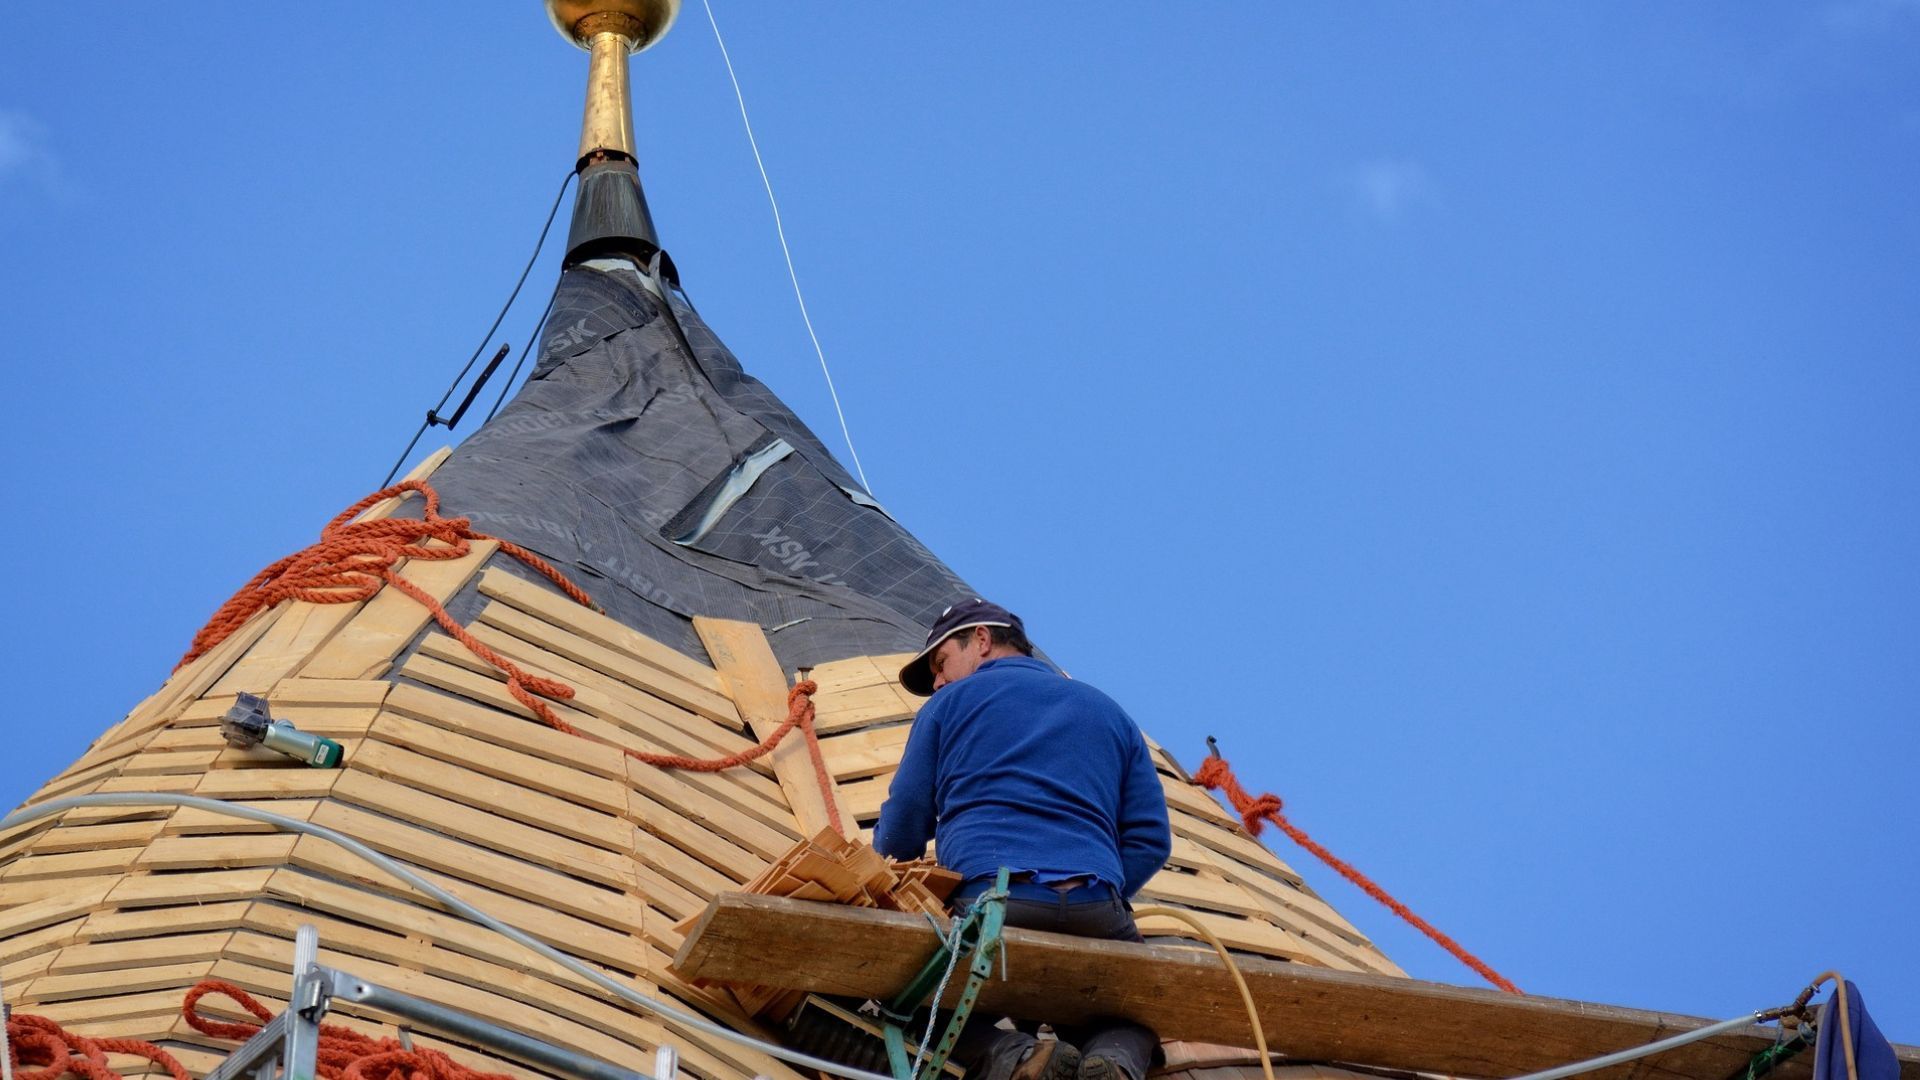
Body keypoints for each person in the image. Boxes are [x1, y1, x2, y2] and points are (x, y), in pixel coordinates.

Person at [875, 599, 1172, 1080]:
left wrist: (878, 885)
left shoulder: (948, 706)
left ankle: (1018, 1058)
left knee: (910, 1005)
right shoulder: (1109, 712)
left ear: (983, 641)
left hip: (993, 901)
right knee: (1133, 1016)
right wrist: (1099, 892)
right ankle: (1113, 1065)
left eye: (941, 662)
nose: (937, 681)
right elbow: (1151, 838)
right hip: (1097, 904)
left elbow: (905, 819)